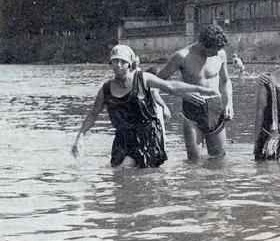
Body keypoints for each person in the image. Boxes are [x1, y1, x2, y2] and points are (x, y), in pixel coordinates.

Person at [72, 45, 217, 168]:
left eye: (122, 61)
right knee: (118, 175)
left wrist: (200, 90)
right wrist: (80, 137)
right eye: (115, 61)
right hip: (123, 138)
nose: (118, 65)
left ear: (130, 63)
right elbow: (93, 114)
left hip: (148, 135)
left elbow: (170, 86)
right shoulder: (106, 89)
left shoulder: (142, 78)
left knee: (135, 172)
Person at [157, 24, 234, 160]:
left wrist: (229, 104)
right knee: (194, 161)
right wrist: (181, 93)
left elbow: (225, 81)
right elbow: (156, 81)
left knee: (219, 159)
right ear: (203, 44)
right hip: (192, 109)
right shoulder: (182, 56)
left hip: (215, 107)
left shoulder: (221, 54)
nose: (216, 53)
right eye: (213, 50)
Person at [144, 66, 172, 143]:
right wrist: (165, 107)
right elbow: (156, 97)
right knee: (158, 130)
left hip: (147, 109)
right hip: (155, 109)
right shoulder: (153, 84)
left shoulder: (144, 83)